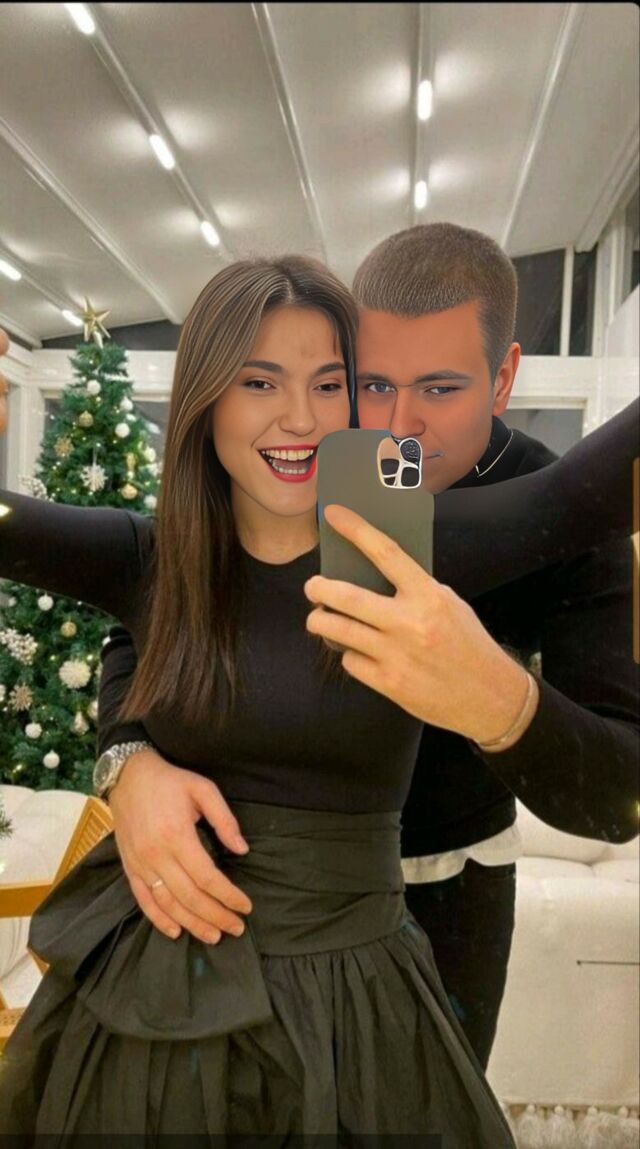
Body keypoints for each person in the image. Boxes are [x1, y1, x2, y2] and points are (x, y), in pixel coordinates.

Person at [0, 254, 636, 1140]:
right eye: (258, 381)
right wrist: (129, 763)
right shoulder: (153, 557)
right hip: (157, 992)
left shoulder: (407, 546)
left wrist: (496, 694)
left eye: (329, 384)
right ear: (206, 400)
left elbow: (578, 499)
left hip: (365, 981)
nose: (300, 417)